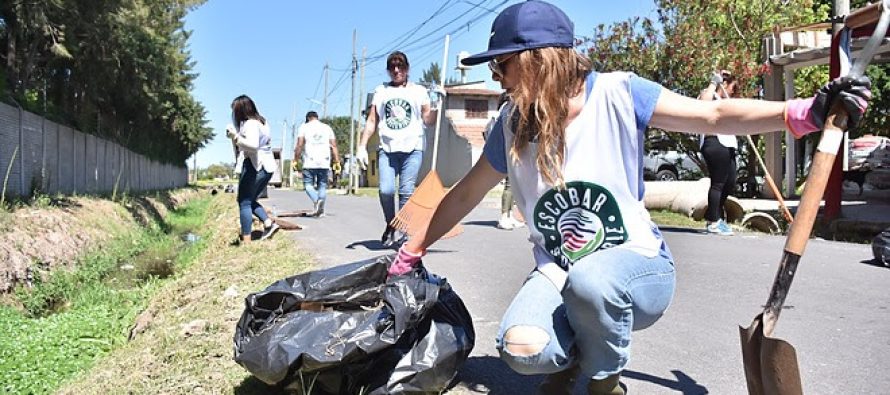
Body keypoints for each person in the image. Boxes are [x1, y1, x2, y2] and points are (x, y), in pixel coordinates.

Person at [385, 1, 871, 394]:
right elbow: (467, 191)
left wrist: (803, 111)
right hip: (560, 272)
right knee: (522, 348)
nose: (497, 78)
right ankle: (577, 358)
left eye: (503, 65)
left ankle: (604, 381)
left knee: (594, 282)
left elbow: (714, 115)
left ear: (537, 59)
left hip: (636, 266)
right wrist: (415, 248)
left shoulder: (619, 94)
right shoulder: (512, 124)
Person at [356, 50, 443, 246]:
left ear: (407, 68)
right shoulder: (381, 91)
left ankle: (404, 232)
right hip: (387, 148)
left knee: (406, 191)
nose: (396, 70)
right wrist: (361, 146)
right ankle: (391, 223)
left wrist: (437, 104)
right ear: (388, 70)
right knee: (386, 191)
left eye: (400, 66)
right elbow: (372, 121)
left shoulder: (418, 91)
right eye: (392, 67)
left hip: (413, 148)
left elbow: (428, 120)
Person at [226, 95, 280, 243]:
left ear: (241, 110)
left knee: (244, 202)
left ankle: (247, 241)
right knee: (250, 200)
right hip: (267, 166)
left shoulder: (250, 124)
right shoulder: (263, 122)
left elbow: (253, 145)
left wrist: (235, 137)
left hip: (255, 165)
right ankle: (269, 224)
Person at [698, 70, 740, 235]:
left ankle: (713, 215)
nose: (733, 93)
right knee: (718, 183)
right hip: (714, 143)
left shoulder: (726, 102)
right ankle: (713, 222)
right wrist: (714, 82)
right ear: (725, 85)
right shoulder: (710, 96)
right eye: (732, 88)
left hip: (728, 144)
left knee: (730, 182)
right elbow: (704, 102)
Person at [294, 111, 340, 217]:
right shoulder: (327, 128)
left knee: (308, 185)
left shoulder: (304, 127)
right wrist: (337, 161)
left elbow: (300, 145)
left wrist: (295, 159)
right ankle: (321, 210)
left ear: (308, 118)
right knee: (322, 186)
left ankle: (316, 200)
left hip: (310, 161)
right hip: (324, 161)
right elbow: (334, 146)